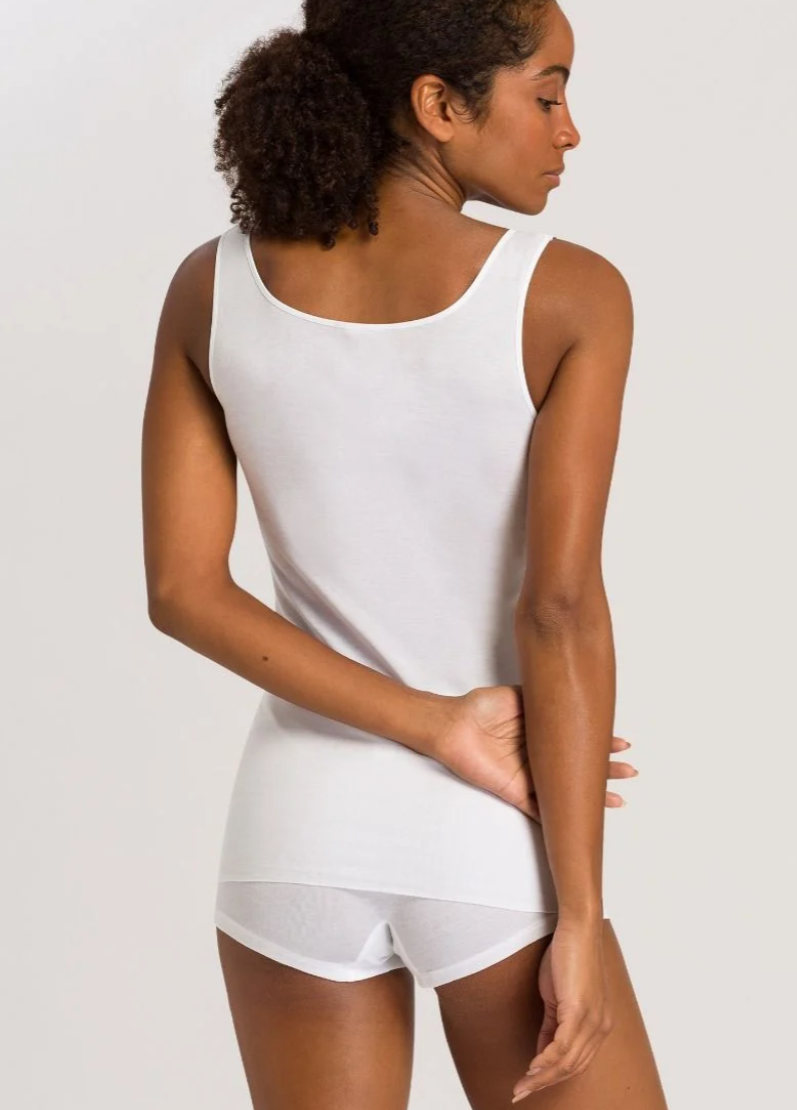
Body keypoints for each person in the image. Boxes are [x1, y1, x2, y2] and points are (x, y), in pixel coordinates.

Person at [141, 0, 669, 1106]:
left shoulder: (211, 285)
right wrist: (579, 915)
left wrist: (432, 722)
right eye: (547, 93)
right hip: (491, 844)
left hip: (290, 841)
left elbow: (184, 591)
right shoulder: (568, 293)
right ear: (437, 104)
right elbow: (558, 610)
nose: (568, 130)